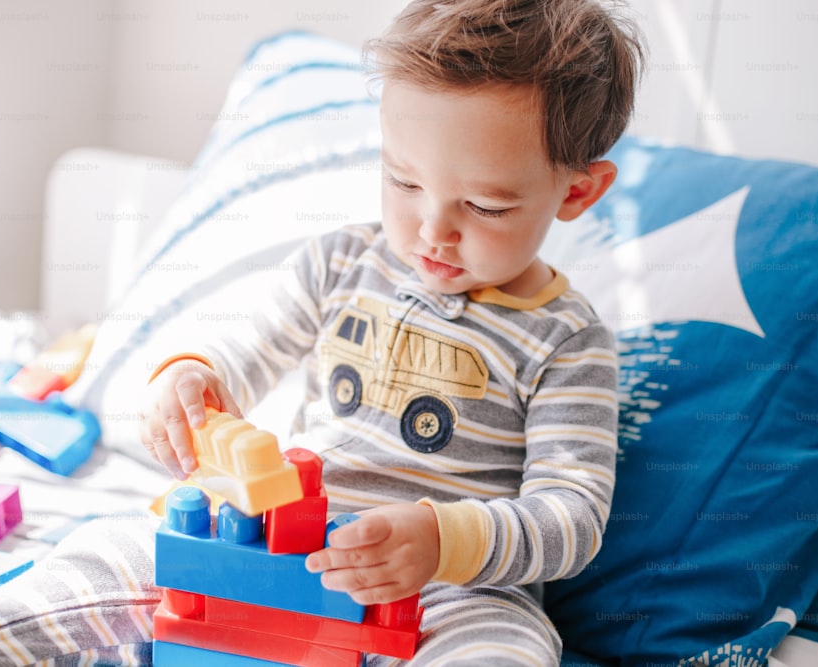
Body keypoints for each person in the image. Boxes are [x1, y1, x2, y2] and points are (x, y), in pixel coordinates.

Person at [140, 1, 643, 664]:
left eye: (486, 204)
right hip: (290, 548)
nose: (434, 230)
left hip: (459, 590)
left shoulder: (567, 341)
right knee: (119, 568)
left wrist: (441, 540)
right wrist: (190, 375)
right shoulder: (339, 263)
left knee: (501, 653)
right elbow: (242, 360)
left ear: (577, 192)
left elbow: (571, 521)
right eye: (404, 180)